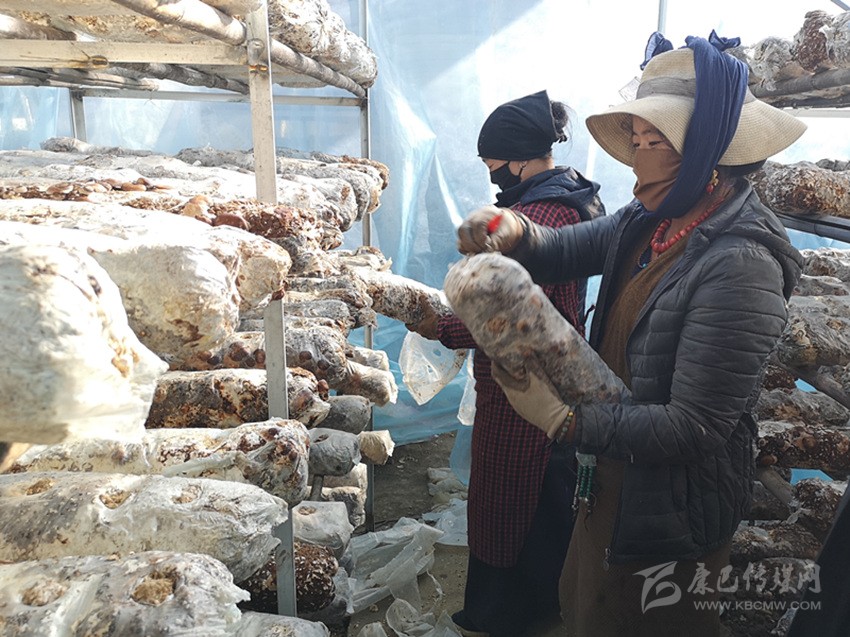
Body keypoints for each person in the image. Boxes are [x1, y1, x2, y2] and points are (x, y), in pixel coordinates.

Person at [456, 32, 807, 636]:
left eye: (655, 142)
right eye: (637, 141)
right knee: (587, 605)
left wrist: (567, 421)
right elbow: (563, 249)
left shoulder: (741, 263)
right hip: (614, 474)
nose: (638, 158)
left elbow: (695, 427)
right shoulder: (651, 218)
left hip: (671, 511)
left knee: (641, 620)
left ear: (705, 150)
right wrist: (514, 230)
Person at [406, 89, 604, 637]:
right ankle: (545, 603)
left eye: (493, 163)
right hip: (560, 369)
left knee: (507, 501)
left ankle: (501, 615)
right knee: (547, 493)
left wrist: (436, 324)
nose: (491, 174)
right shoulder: (576, 197)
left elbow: (505, 315)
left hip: (525, 384)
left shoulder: (535, 216)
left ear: (518, 160)